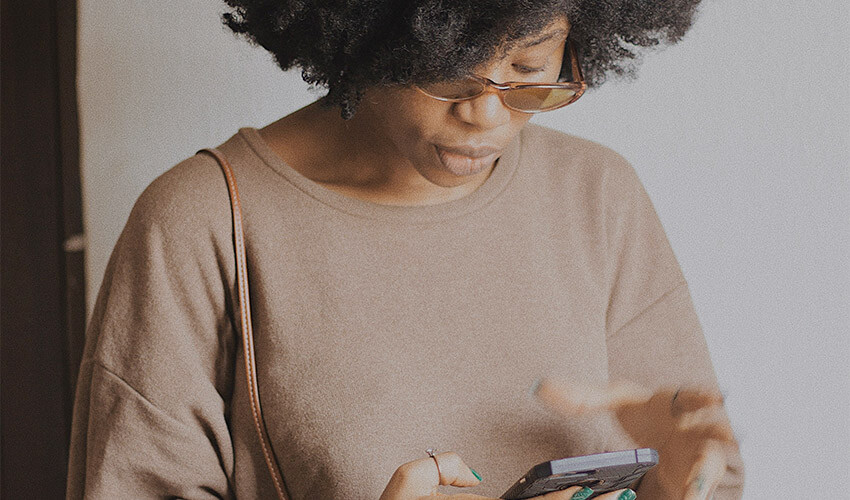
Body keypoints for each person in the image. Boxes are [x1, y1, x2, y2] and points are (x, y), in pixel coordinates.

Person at [67, 0, 745, 499]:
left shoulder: (598, 194)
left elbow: (706, 475)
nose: (486, 114)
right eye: (447, 74)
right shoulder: (201, 222)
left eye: (529, 70)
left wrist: (679, 478)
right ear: (365, 38)